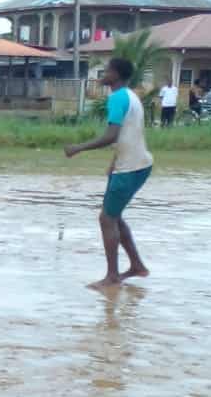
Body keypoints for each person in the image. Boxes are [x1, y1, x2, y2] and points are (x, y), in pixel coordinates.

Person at [65, 56, 153, 289]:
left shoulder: (117, 98)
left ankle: (112, 276)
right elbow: (129, 133)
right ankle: (136, 266)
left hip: (130, 167)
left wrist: (78, 148)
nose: (103, 74)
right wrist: (114, 162)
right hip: (136, 164)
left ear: (115, 74)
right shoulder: (130, 96)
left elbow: (111, 135)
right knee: (114, 217)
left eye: (106, 70)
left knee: (107, 218)